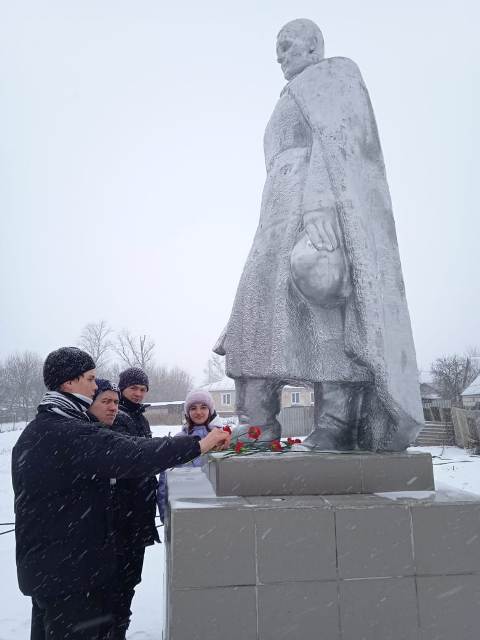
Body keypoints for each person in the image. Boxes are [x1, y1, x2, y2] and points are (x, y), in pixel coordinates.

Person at [214, 18, 423, 451]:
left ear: (314, 46)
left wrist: (320, 202)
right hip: (275, 214)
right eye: (277, 47)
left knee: (322, 313)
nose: (279, 55)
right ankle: (258, 423)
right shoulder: (291, 93)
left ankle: (336, 422)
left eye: (287, 44)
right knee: (257, 312)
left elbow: (339, 143)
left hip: (312, 210)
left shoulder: (333, 77)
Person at [12, 347, 230, 640]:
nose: (94, 386)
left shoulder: (45, 428)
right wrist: (199, 444)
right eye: (90, 379)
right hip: (69, 575)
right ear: (68, 382)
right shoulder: (65, 432)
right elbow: (133, 454)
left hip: (55, 569)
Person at [105, 367, 158, 639]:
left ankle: (118, 629)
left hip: (138, 516)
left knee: (128, 582)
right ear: (122, 388)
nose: (138, 393)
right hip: (123, 519)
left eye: (142, 389)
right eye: (133, 388)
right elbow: (132, 463)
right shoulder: (119, 418)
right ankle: (114, 631)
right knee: (119, 585)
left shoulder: (139, 418)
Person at [157, 389, 224, 522]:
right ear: (188, 412)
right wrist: (166, 516)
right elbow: (165, 480)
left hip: (217, 510)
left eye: (203, 407)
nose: (198, 412)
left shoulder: (222, 439)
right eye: (193, 408)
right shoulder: (178, 440)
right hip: (184, 508)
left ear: (210, 410)